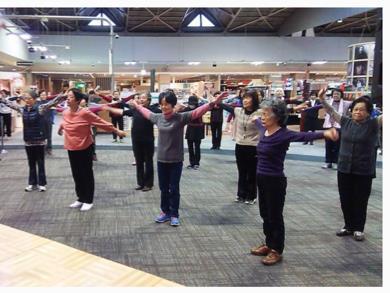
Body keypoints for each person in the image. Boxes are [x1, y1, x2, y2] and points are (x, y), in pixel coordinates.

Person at [250, 98, 338, 265]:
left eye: (266, 114)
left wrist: (325, 133)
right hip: (261, 177)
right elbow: (258, 124)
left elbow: (304, 135)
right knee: (265, 214)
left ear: (277, 117)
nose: (262, 117)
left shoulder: (284, 134)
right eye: (262, 113)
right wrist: (255, 118)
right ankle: (268, 244)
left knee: (275, 215)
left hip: (275, 180)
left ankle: (276, 250)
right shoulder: (264, 130)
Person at [128, 89, 228, 226]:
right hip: (162, 160)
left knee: (174, 188)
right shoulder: (158, 118)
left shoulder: (180, 118)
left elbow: (197, 112)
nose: (163, 107)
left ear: (173, 104)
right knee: (163, 188)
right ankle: (165, 212)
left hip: (176, 160)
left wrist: (213, 103)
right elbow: (145, 112)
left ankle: (174, 214)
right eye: (161, 104)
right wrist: (137, 105)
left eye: (166, 104)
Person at [318, 89, 382, 241]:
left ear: (368, 113)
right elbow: (331, 111)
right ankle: (348, 226)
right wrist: (322, 99)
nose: (358, 112)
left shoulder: (374, 124)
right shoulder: (345, 121)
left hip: (363, 170)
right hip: (344, 168)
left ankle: (359, 228)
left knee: (360, 200)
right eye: (355, 109)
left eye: (362, 110)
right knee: (345, 198)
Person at [58, 88, 126, 211]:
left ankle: (88, 200)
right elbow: (64, 122)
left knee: (86, 174)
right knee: (76, 174)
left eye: (71, 97)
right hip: (71, 147)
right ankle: (80, 198)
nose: (67, 99)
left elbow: (101, 122)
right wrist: (60, 128)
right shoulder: (65, 112)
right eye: (67, 96)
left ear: (78, 100)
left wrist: (116, 130)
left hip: (84, 147)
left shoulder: (85, 112)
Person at [1, 90, 66, 191]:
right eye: (25, 98)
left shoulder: (40, 108)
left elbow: (52, 102)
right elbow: (9, 104)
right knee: (31, 163)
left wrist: (63, 95)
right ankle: (32, 183)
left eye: (30, 98)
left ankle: (42, 184)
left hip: (39, 140)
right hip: (28, 140)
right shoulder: (22, 110)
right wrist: (6, 98)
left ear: (35, 99)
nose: (27, 100)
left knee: (40, 162)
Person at [104, 92, 160, 192]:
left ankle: (148, 184)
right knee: (138, 162)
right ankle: (140, 183)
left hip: (148, 140)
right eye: (140, 98)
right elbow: (122, 112)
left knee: (148, 162)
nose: (141, 100)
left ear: (149, 100)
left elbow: (164, 114)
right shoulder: (135, 110)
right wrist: (109, 108)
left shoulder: (153, 110)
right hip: (136, 140)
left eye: (143, 98)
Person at [221, 89, 261, 205]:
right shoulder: (238, 111)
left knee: (252, 172)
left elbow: (276, 113)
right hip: (240, 146)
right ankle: (241, 194)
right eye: (244, 98)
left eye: (248, 98)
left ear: (254, 100)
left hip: (253, 146)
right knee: (242, 171)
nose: (245, 100)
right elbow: (224, 106)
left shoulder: (259, 112)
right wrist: (217, 101)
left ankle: (251, 195)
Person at [321, 89, 351, 169]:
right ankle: (328, 162)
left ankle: (336, 162)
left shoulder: (346, 104)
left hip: (339, 127)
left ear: (341, 95)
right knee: (328, 145)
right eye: (334, 94)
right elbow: (322, 103)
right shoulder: (328, 103)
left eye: (337, 94)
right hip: (329, 126)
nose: (335, 96)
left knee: (337, 146)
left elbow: (350, 113)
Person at [183, 95, 205, 169]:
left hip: (198, 129)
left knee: (197, 147)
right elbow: (180, 114)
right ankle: (191, 162)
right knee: (190, 147)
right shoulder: (186, 109)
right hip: (190, 129)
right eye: (190, 103)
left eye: (193, 104)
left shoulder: (200, 109)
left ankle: (196, 163)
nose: (191, 105)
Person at [38, 90, 55, 155]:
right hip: (41, 122)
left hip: (48, 121)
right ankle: (43, 149)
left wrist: (51, 120)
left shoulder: (49, 103)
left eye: (45, 95)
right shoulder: (38, 103)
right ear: (39, 96)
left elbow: (53, 111)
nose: (44, 96)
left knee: (49, 136)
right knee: (42, 136)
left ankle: (49, 148)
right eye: (42, 95)